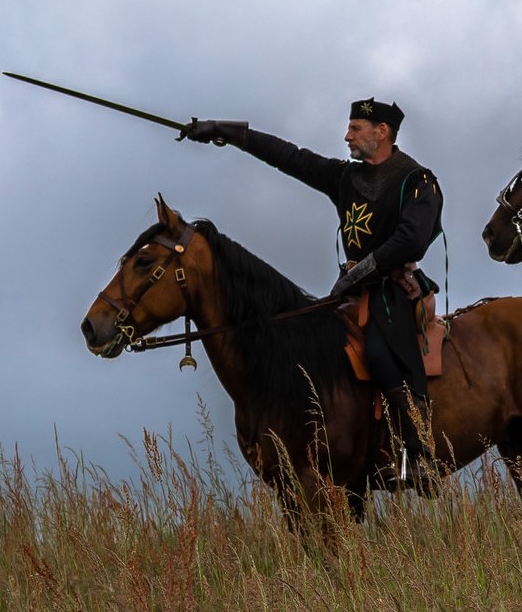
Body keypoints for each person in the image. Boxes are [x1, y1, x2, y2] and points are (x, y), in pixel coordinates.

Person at [182, 98, 444, 489]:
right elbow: (290, 157)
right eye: (350, 128)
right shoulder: (345, 179)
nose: (347, 136)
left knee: (380, 353)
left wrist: (363, 271)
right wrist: (227, 132)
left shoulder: (416, 180)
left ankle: (417, 455)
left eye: (355, 128)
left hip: (393, 292)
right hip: (351, 293)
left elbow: (411, 239)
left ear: (382, 132)